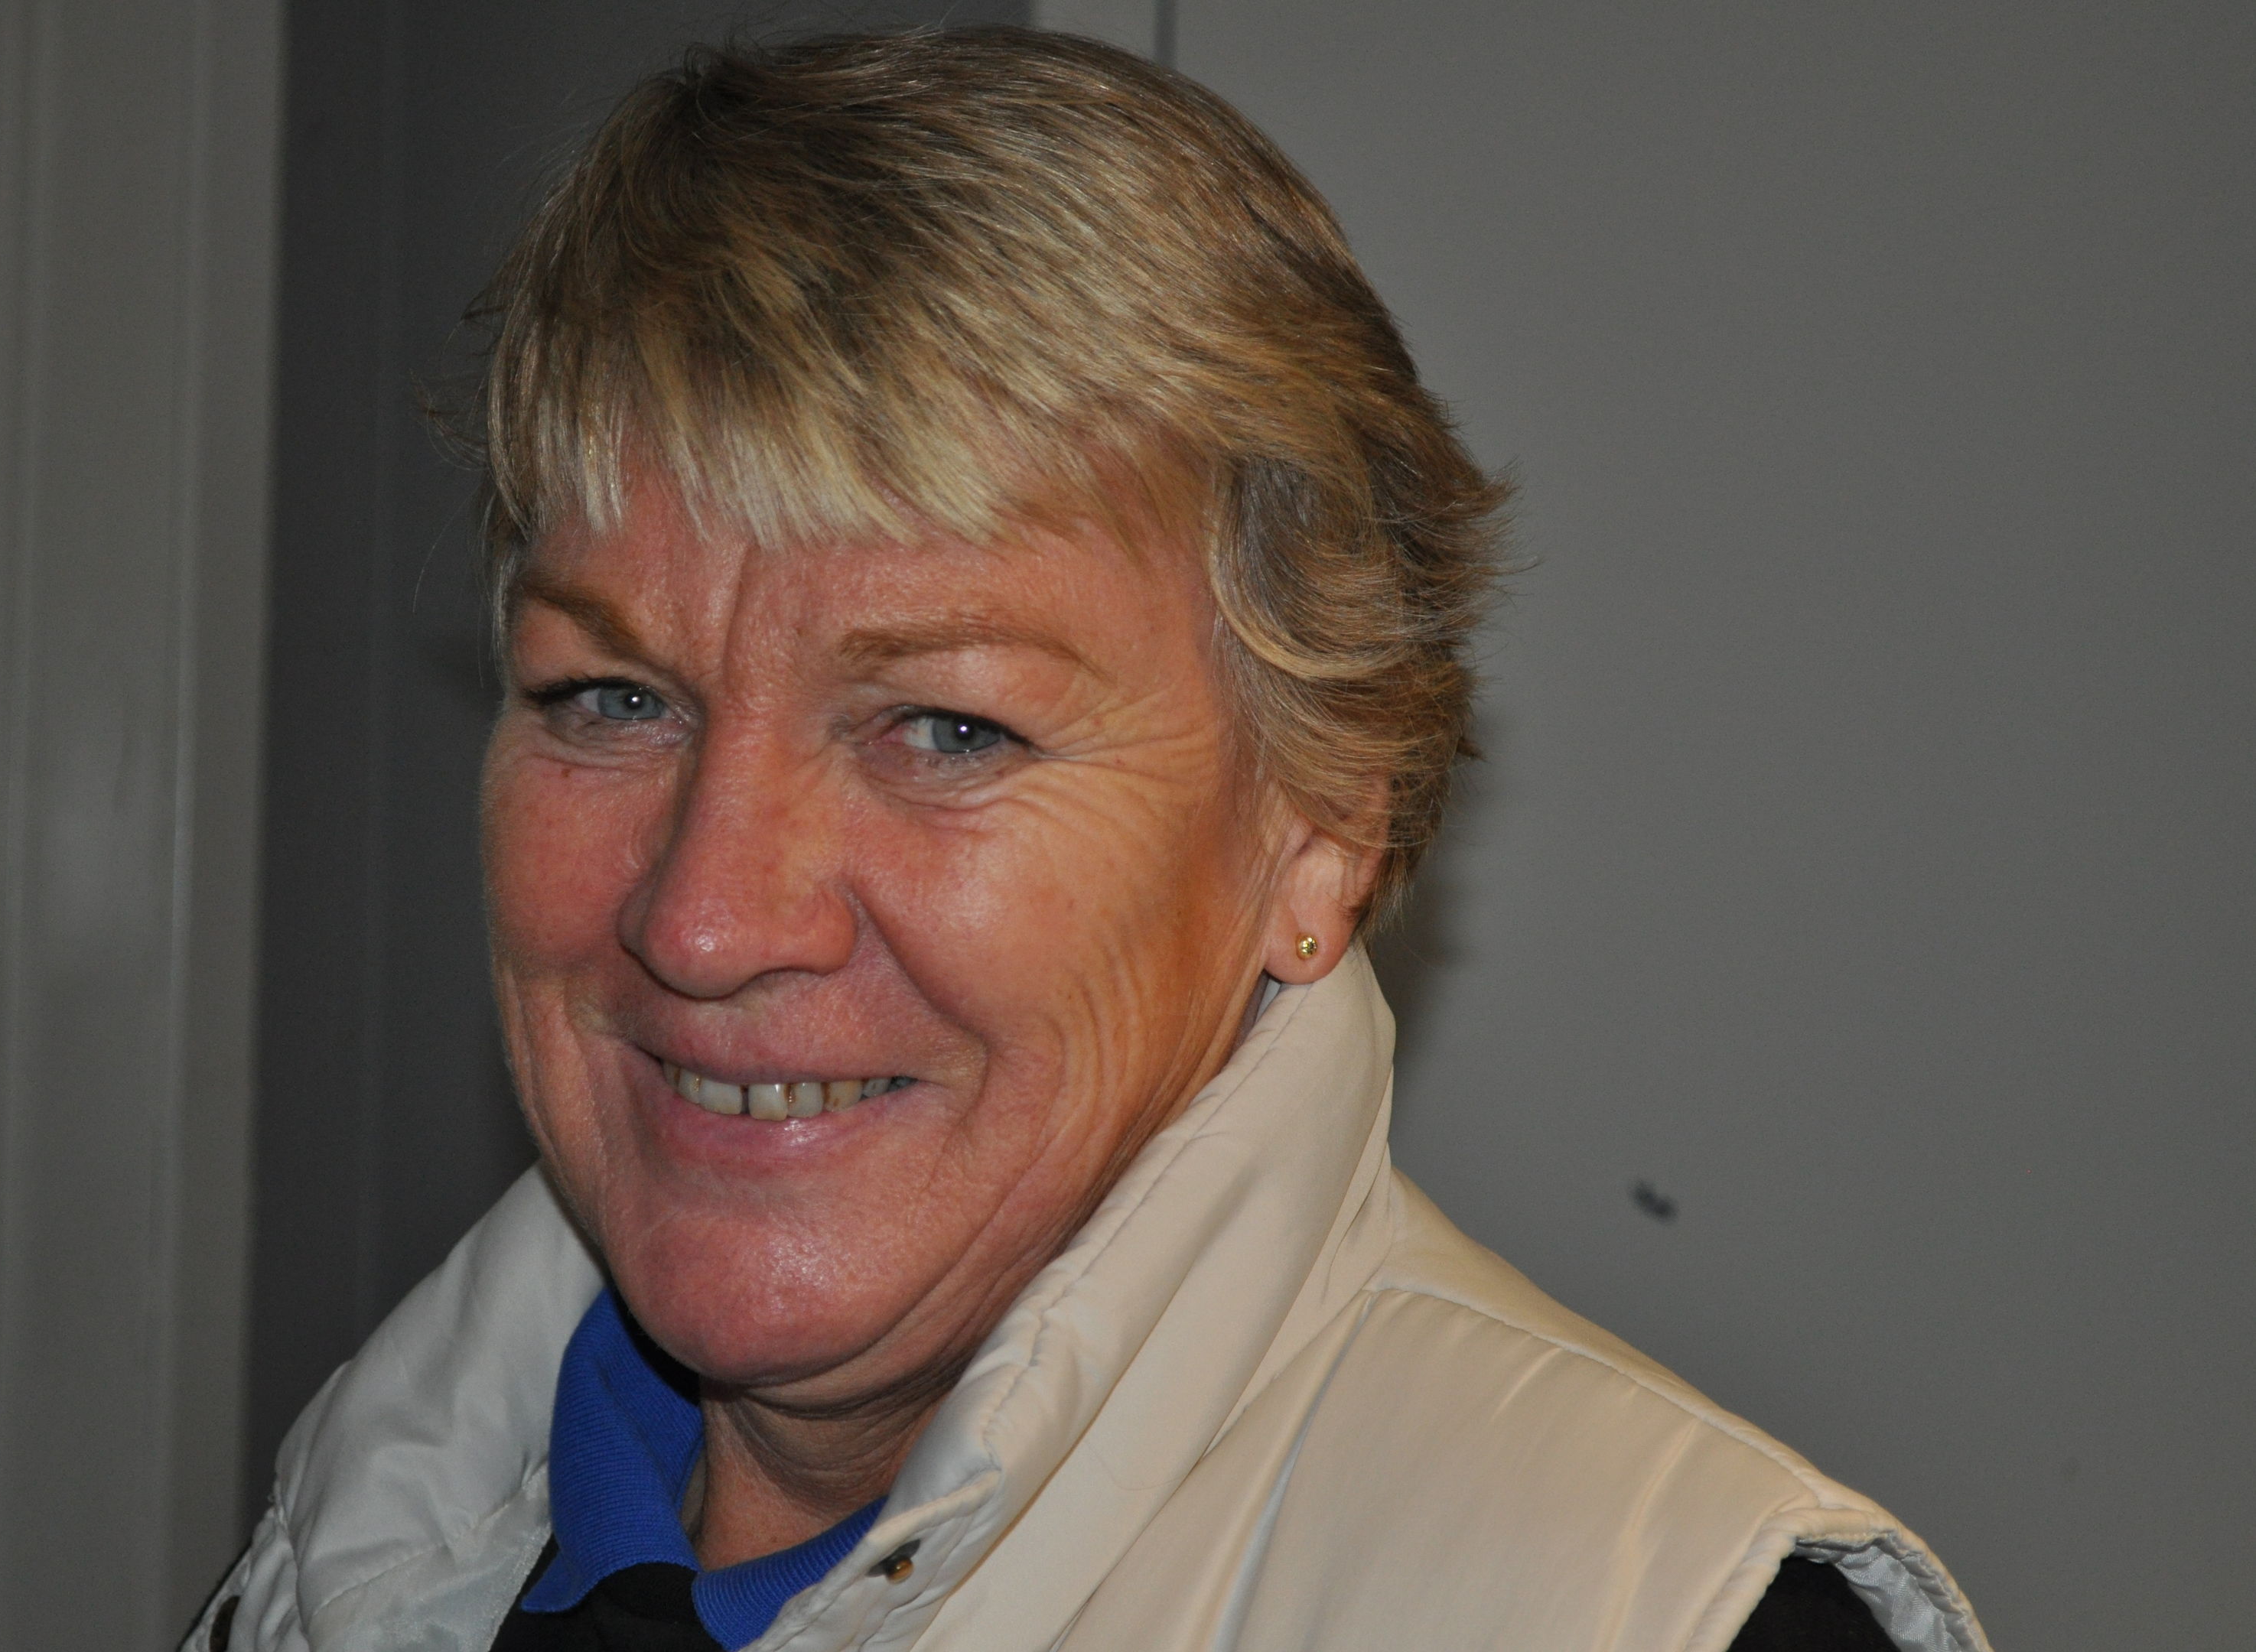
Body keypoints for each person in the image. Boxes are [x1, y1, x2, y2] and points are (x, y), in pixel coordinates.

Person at [190, 27, 1988, 1652]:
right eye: (612, 699)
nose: (706, 918)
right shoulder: (353, 1542)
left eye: (948, 728)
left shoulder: (1662, 1620)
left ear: (1321, 830)